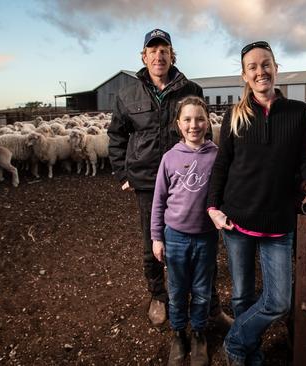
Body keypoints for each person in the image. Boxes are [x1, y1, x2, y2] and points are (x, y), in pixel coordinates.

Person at [206, 41, 306, 366]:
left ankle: (234, 343)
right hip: (236, 221)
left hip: (278, 223)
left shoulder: (297, 111)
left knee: (278, 302)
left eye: (265, 64)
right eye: (252, 67)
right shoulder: (234, 114)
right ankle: (250, 352)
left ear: (276, 67)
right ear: (245, 75)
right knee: (242, 295)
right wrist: (213, 208)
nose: (260, 71)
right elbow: (222, 165)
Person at [107, 28, 231, 329]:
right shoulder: (128, 94)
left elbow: (204, 132)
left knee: (203, 239)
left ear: (171, 55)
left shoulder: (190, 89)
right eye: (153, 50)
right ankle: (159, 296)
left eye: (164, 50)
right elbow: (116, 135)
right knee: (153, 239)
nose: (158, 56)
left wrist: (213, 174)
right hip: (148, 179)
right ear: (144, 56)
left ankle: (211, 305)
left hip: (190, 179)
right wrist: (124, 172)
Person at [151, 96, 218, 366]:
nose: (194, 125)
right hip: (175, 235)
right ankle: (179, 334)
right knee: (177, 290)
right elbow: (158, 200)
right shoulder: (169, 158)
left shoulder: (216, 155)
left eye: (200, 119)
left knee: (202, 288)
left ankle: (199, 334)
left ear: (208, 121)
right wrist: (157, 237)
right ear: (179, 124)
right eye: (188, 120)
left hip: (206, 236)